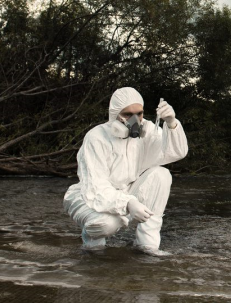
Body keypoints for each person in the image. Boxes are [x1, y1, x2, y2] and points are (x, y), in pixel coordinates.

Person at [62, 87, 188, 255]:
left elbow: (175, 152)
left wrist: (172, 124)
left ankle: (147, 245)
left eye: (139, 113)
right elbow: (97, 186)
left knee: (161, 174)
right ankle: (92, 245)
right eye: (128, 114)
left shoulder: (147, 131)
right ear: (115, 114)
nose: (135, 120)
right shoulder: (97, 138)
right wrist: (128, 203)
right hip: (89, 196)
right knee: (106, 224)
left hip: (126, 191)